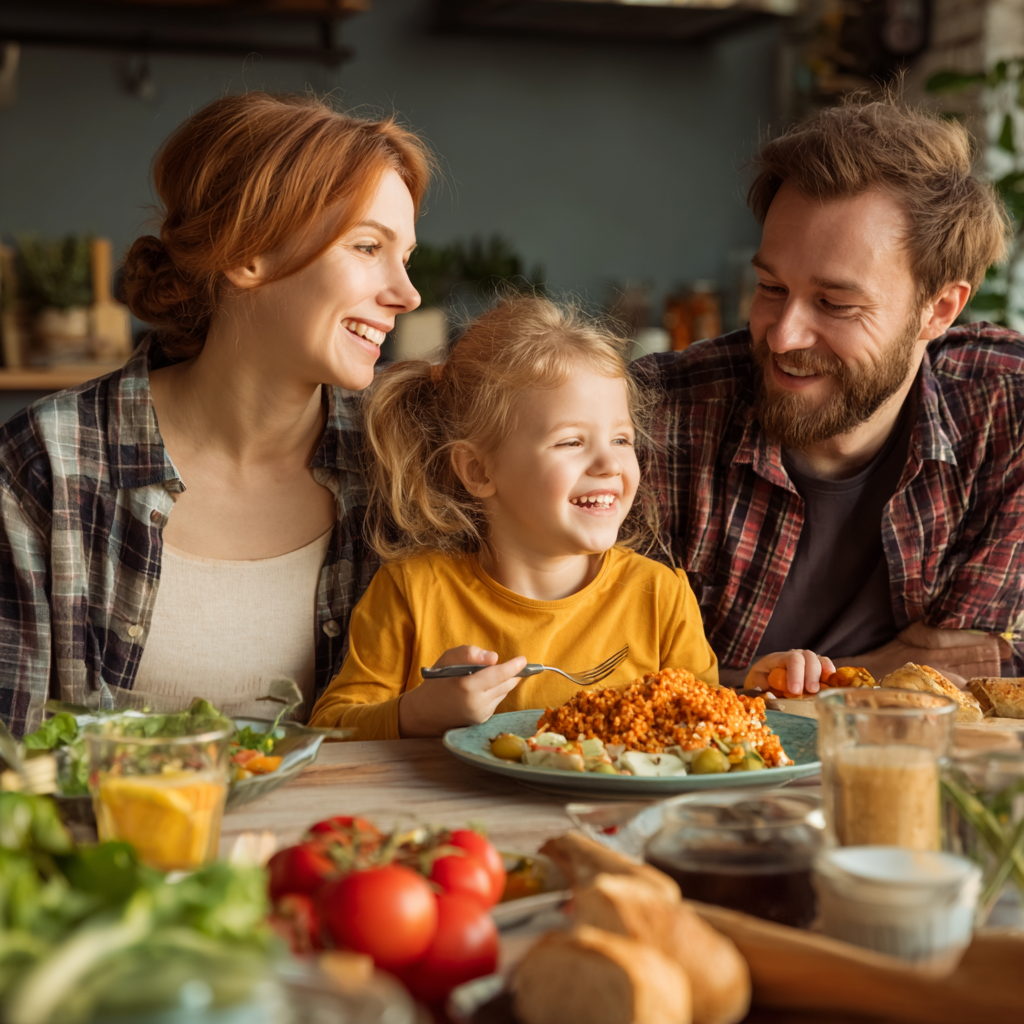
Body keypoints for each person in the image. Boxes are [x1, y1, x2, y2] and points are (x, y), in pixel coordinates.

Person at [0, 92, 430, 735]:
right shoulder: (48, 464)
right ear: (246, 254)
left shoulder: (399, 465)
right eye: (368, 247)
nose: (406, 294)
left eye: (406, 257)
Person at [308, 295, 830, 739]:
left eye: (621, 439)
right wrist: (417, 713)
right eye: (572, 442)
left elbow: (704, 730)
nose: (609, 464)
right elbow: (331, 728)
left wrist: (758, 694)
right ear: (478, 470)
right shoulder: (411, 594)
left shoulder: (660, 596)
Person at [641, 96, 1024, 695]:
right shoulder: (649, 420)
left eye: (835, 304)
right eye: (771, 287)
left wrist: (729, 680)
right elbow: (597, 672)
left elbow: (984, 672)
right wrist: (887, 667)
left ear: (939, 309)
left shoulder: (1008, 412)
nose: (784, 336)